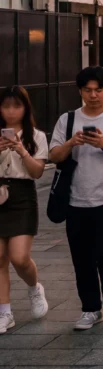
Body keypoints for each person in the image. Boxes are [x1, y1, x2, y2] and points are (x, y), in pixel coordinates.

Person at [49, 66, 103, 330]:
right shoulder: (68, 120)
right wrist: (71, 143)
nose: (93, 95)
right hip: (76, 198)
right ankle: (90, 308)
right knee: (81, 256)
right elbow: (54, 156)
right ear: (80, 91)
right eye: (87, 90)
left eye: (98, 89)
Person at [0, 86, 50, 333]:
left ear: (25, 108)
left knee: (19, 257)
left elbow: (37, 172)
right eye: (6, 106)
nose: (11, 111)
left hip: (22, 197)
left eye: (16, 106)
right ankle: (4, 312)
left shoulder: (37, 136)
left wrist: (21, 150)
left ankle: (34, 288)